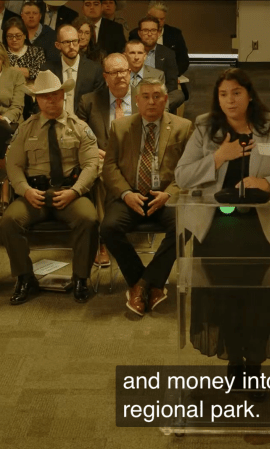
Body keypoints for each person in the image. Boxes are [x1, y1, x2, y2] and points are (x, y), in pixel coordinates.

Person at [175, 68, 270, 379]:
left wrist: (267, 182)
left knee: (259, 299)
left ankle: (255, 363)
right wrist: (219, 156)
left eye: (236, 93)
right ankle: (234, 358)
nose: (230, 100)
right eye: (223, 94)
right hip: (218, 226)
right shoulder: (205, 128)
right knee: (226, 297)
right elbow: (182, 176)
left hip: (262, 229)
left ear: (249, 96)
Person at [1, 71, 101, 305]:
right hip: (35, 195)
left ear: (63, 95)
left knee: (89, 219)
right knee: (10, 220)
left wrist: (75, 191)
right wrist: (25, 190)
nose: (51, 100)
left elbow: (91, 164)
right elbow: (13, 165)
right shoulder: (26, 129)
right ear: (37, 99)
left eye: (55, 95)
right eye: (45, 96)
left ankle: (80, 278)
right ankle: (25, 277)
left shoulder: (80, 127)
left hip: (70, 193)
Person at [99, 77, 192, 315]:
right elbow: (109, 167)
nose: (151, 102)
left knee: (184, 226)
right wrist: (126, 193)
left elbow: (190, 170)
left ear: (165, 99)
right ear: (137, 101)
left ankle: (143, 285)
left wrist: (169, 194)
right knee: (108, 228)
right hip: (130, 195)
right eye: (146, 97)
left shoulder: (183, 127)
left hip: (165, 196)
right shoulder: (120, 127)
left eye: (157, 96)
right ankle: (148, 283)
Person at [77, 53, 135, 267]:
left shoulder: (144, 98)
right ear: (105, 76)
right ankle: (103, 240)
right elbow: (78, 136)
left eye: (123, 71)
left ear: (130, 72)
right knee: (102, 173)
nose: (120, 76)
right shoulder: (89, 101)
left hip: (136, 159)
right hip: (101, 158)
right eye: (114, 72)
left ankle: (110, 232)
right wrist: (94, 150)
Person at [44, 23, 107, 116]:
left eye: (74, 41)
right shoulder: (47, 70)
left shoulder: (94, 70)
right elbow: (41, 103)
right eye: (66, 42)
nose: (72, 46)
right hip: (54, 120)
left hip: (84, 121)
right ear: (58, 45)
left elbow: (98, 106)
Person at [128, 1, 190, 76]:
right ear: (147, 16)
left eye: (162, 19)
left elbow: (183, 61)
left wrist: (172, 76)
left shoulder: (175, 34)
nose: (159, 22)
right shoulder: (135, 34)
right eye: (156, 19)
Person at [125, 39, 184, 112]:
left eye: (140, 53)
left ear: (145, 56)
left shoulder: (157, 75)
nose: (136, 57)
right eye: (132, 53)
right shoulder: (118, 74)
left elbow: (162, 103)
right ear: (125, 55)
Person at [133, 16, 180, 103]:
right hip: (135, 94)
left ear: (158, 33)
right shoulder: (131, 51)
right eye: (145, 30)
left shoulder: (168, 54)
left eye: (153, 30)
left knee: (178, 95)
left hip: (158, 95)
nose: (149, 34)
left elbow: (172, 84)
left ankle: (158, 106)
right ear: (139, 33)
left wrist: (156, 96)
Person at [3, 16, 45, 82]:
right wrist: (26, 71)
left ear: (24, 35)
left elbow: (40, 73)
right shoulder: (1, 52)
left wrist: (11, 70)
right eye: (10, 36)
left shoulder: (36, 52)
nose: (14, 39)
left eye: (18, 36)